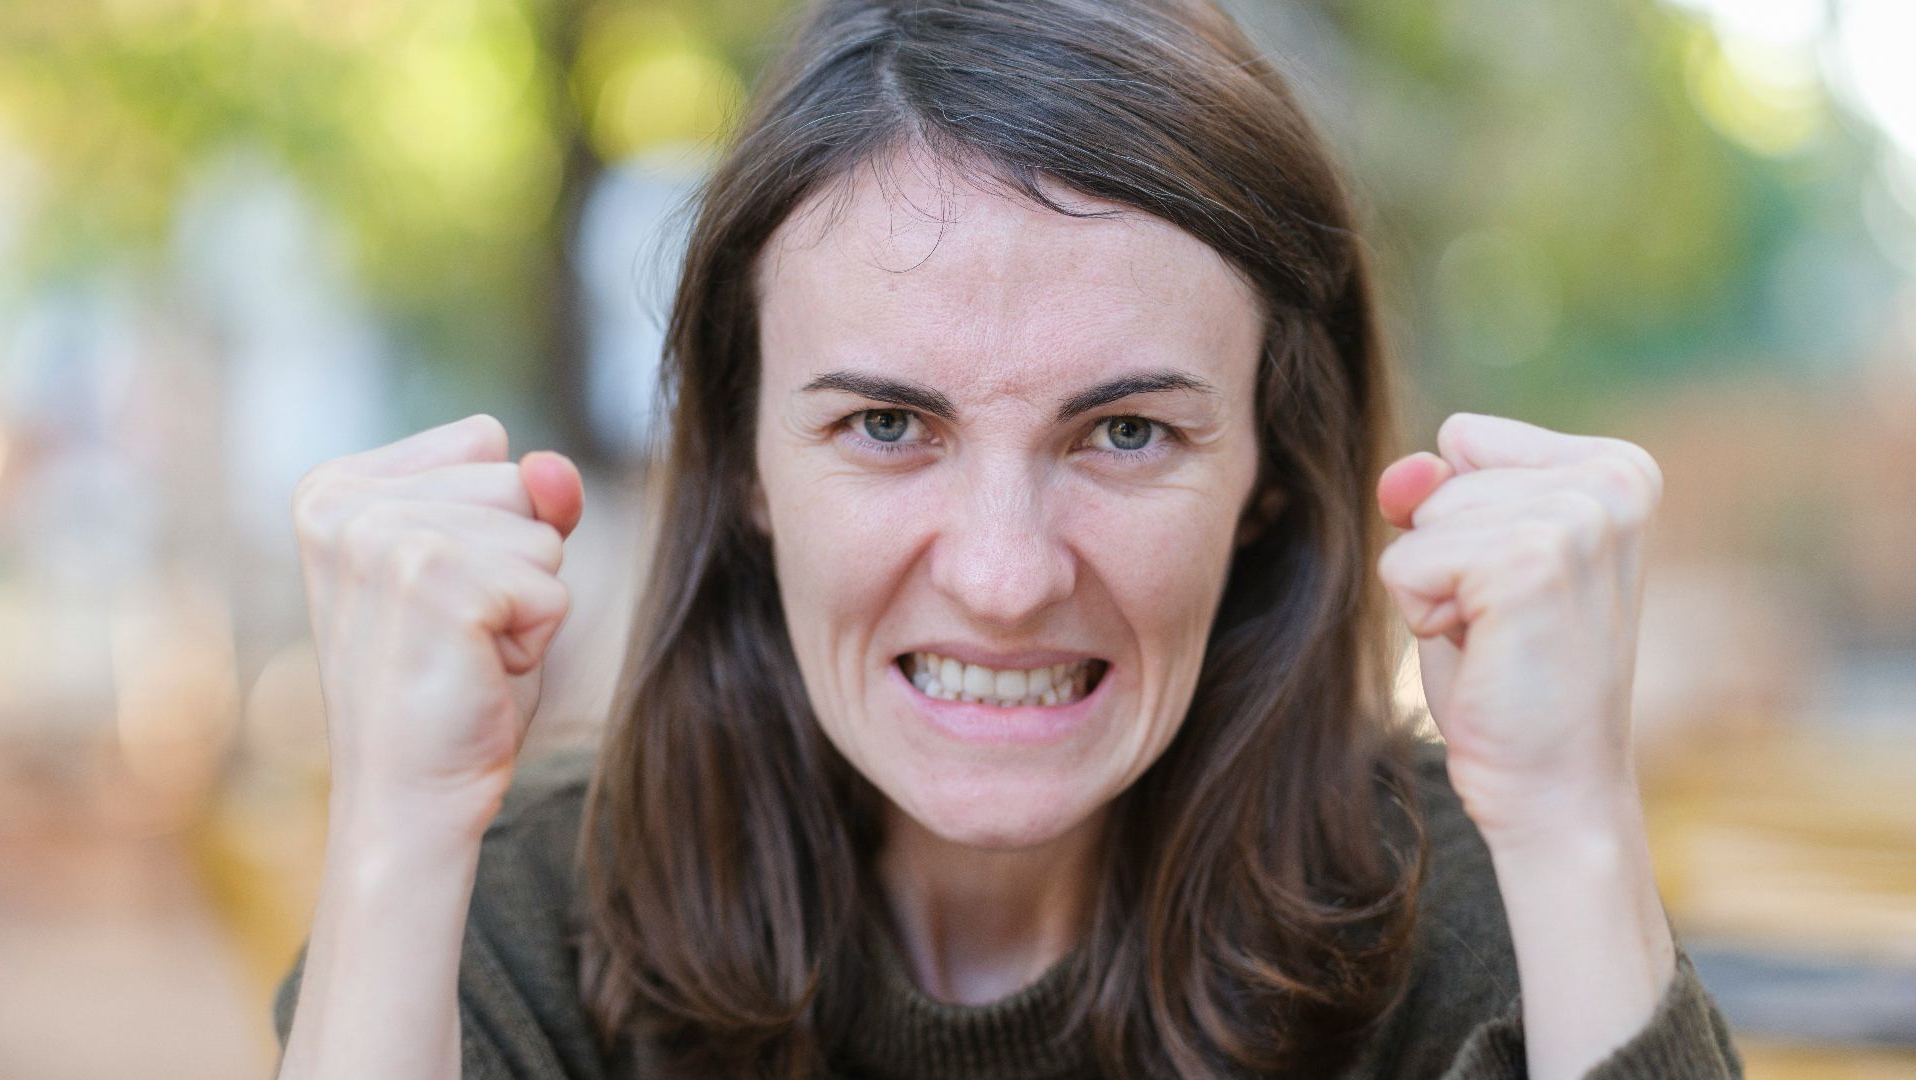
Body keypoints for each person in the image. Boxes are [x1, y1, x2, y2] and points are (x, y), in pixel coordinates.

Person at [270, 0, 1745, 1077]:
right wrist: (398, 835)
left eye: (1124, 434)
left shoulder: (1462, 926)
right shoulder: (520, 915)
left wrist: (1569, 827)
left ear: (1273, 476)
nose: (1000, 574)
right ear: (746, 465)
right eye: (888, 426)